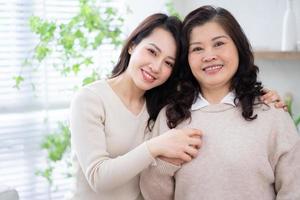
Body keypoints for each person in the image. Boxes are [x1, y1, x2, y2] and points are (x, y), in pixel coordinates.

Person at [140, 6, 300, 200]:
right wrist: (165, 162)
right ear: (186, 59)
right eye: (197, 48)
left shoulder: (271, 113)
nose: (209, 56)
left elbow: (294, 189)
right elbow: (153, 196)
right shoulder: (169, 117)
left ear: (238, 47)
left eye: (218, 44)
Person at [69, 13, 204, 200]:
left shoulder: (160, 107)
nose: (156, 67)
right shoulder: (91, 99)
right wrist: (155, 146)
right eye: (152, 52)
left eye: (168, 63)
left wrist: (254, 96)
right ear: (132, 45)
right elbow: (98, 178)